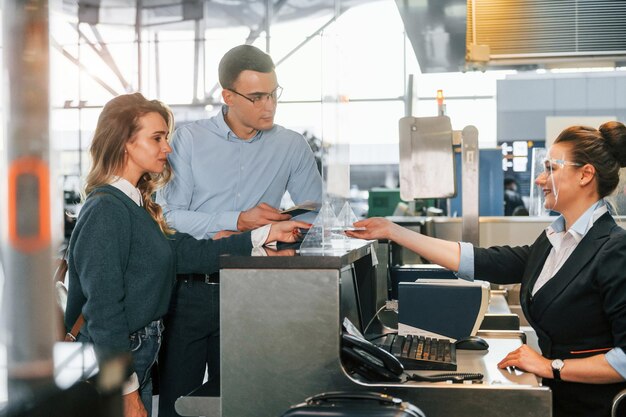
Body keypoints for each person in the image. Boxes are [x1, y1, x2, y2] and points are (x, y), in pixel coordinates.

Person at [347, 122, 626, 417]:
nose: (540, 179)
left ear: (585, 174)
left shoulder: (614, 249)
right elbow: (483, 261)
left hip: (591, 407)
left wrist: (550, 366)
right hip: (557, 398)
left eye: (551, 168)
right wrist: (396, 232)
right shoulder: (554, 241)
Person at [63, 93, 309, 417]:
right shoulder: (106, 209)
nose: (168, 147)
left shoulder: (134, 204)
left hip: (137, 355)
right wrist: (124, 390)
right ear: (124, 143)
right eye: (157, 138)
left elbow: (185, 252)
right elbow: (103, 312)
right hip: (116, 360)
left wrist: (263, 234)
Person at [155, 44, 322, 417]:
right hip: (190, 290)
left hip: (254, 291)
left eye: (274, 93)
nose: (269, 106)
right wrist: (238, 220)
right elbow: (167, 216)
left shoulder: (292, 146)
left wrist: (288, 232)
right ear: (227, 96)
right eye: (257, 96)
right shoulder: (189, 141)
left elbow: (313, 216)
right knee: (178, 406)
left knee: (245, 403)